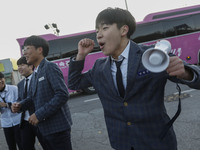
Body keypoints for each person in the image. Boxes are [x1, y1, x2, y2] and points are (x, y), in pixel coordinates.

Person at [68, 8, 200, 150]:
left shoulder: (151, 55)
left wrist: (186, 72)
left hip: (157, 142)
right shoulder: (99, 68)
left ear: (123, 30)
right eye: (96, 31)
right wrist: (80, 56)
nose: (98, 35)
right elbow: (74, 83)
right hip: (121, 143)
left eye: (104, 28)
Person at [12, 35, 73, 150]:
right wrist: (20, 105)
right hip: (45, 129)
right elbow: (32, 98)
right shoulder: (36, 73)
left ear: (39, 50)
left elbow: (62, 94)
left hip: (57, 128)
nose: (24, 53)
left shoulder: (50, 67)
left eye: (27, 49)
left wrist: (39, 114)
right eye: (23, 50)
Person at [17, 56, 48, 150]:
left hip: (38, 119)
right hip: (25, 121)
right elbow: (20, 99)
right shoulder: (20, 84)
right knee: (26, 146)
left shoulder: (39, 78)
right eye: (18, 66)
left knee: (47, 145)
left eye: (22, 65)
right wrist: (17, 106)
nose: (19, 68)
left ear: (30, 66)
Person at [0, 72, 23, 150]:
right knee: (11, 146)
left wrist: (6, 104)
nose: (0, 82)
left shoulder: (14, 88)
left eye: (1, 79)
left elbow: (20, 102)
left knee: (22, 144)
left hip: (18, 121)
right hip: (6, 124)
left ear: (4, 79)